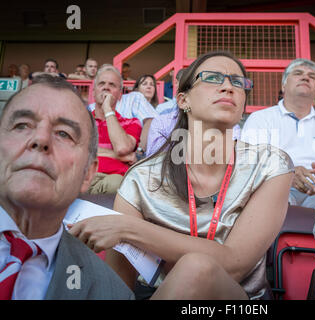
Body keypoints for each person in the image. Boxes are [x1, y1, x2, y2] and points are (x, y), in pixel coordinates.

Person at [68, 50, 294, 300]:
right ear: (183, 100)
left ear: (242, 104)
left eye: (238, 82)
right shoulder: (142, 178)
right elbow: (117, 291)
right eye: (212, 78)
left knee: (197, 268)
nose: (228, 87)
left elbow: (234, 265)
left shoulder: (270, 164)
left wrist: (128, 228)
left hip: (241, 299)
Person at [0, 74, 134, 299]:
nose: (40, 139)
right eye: (22, 125)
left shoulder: (113, 293)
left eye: (64, 134)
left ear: (88, 174)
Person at [241, 58, 315, 209]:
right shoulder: (261, 119)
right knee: (269, 197)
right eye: (298, 73)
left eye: (312, 77)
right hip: (272, 186)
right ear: (283, 85)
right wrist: (286, 175)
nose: (306, 77)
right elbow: (249, 165)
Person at [88, 64, 142, 194]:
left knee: (116, 184)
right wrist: (116, 156)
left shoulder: (132, 122)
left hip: (112, 182)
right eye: (101, 84)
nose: (106, 87)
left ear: (120, 94)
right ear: (94, 91)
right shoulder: (81, 121)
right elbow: (76, 152)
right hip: (82, 177)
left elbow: (122, 148)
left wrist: (107, 109)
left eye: (112, 85)